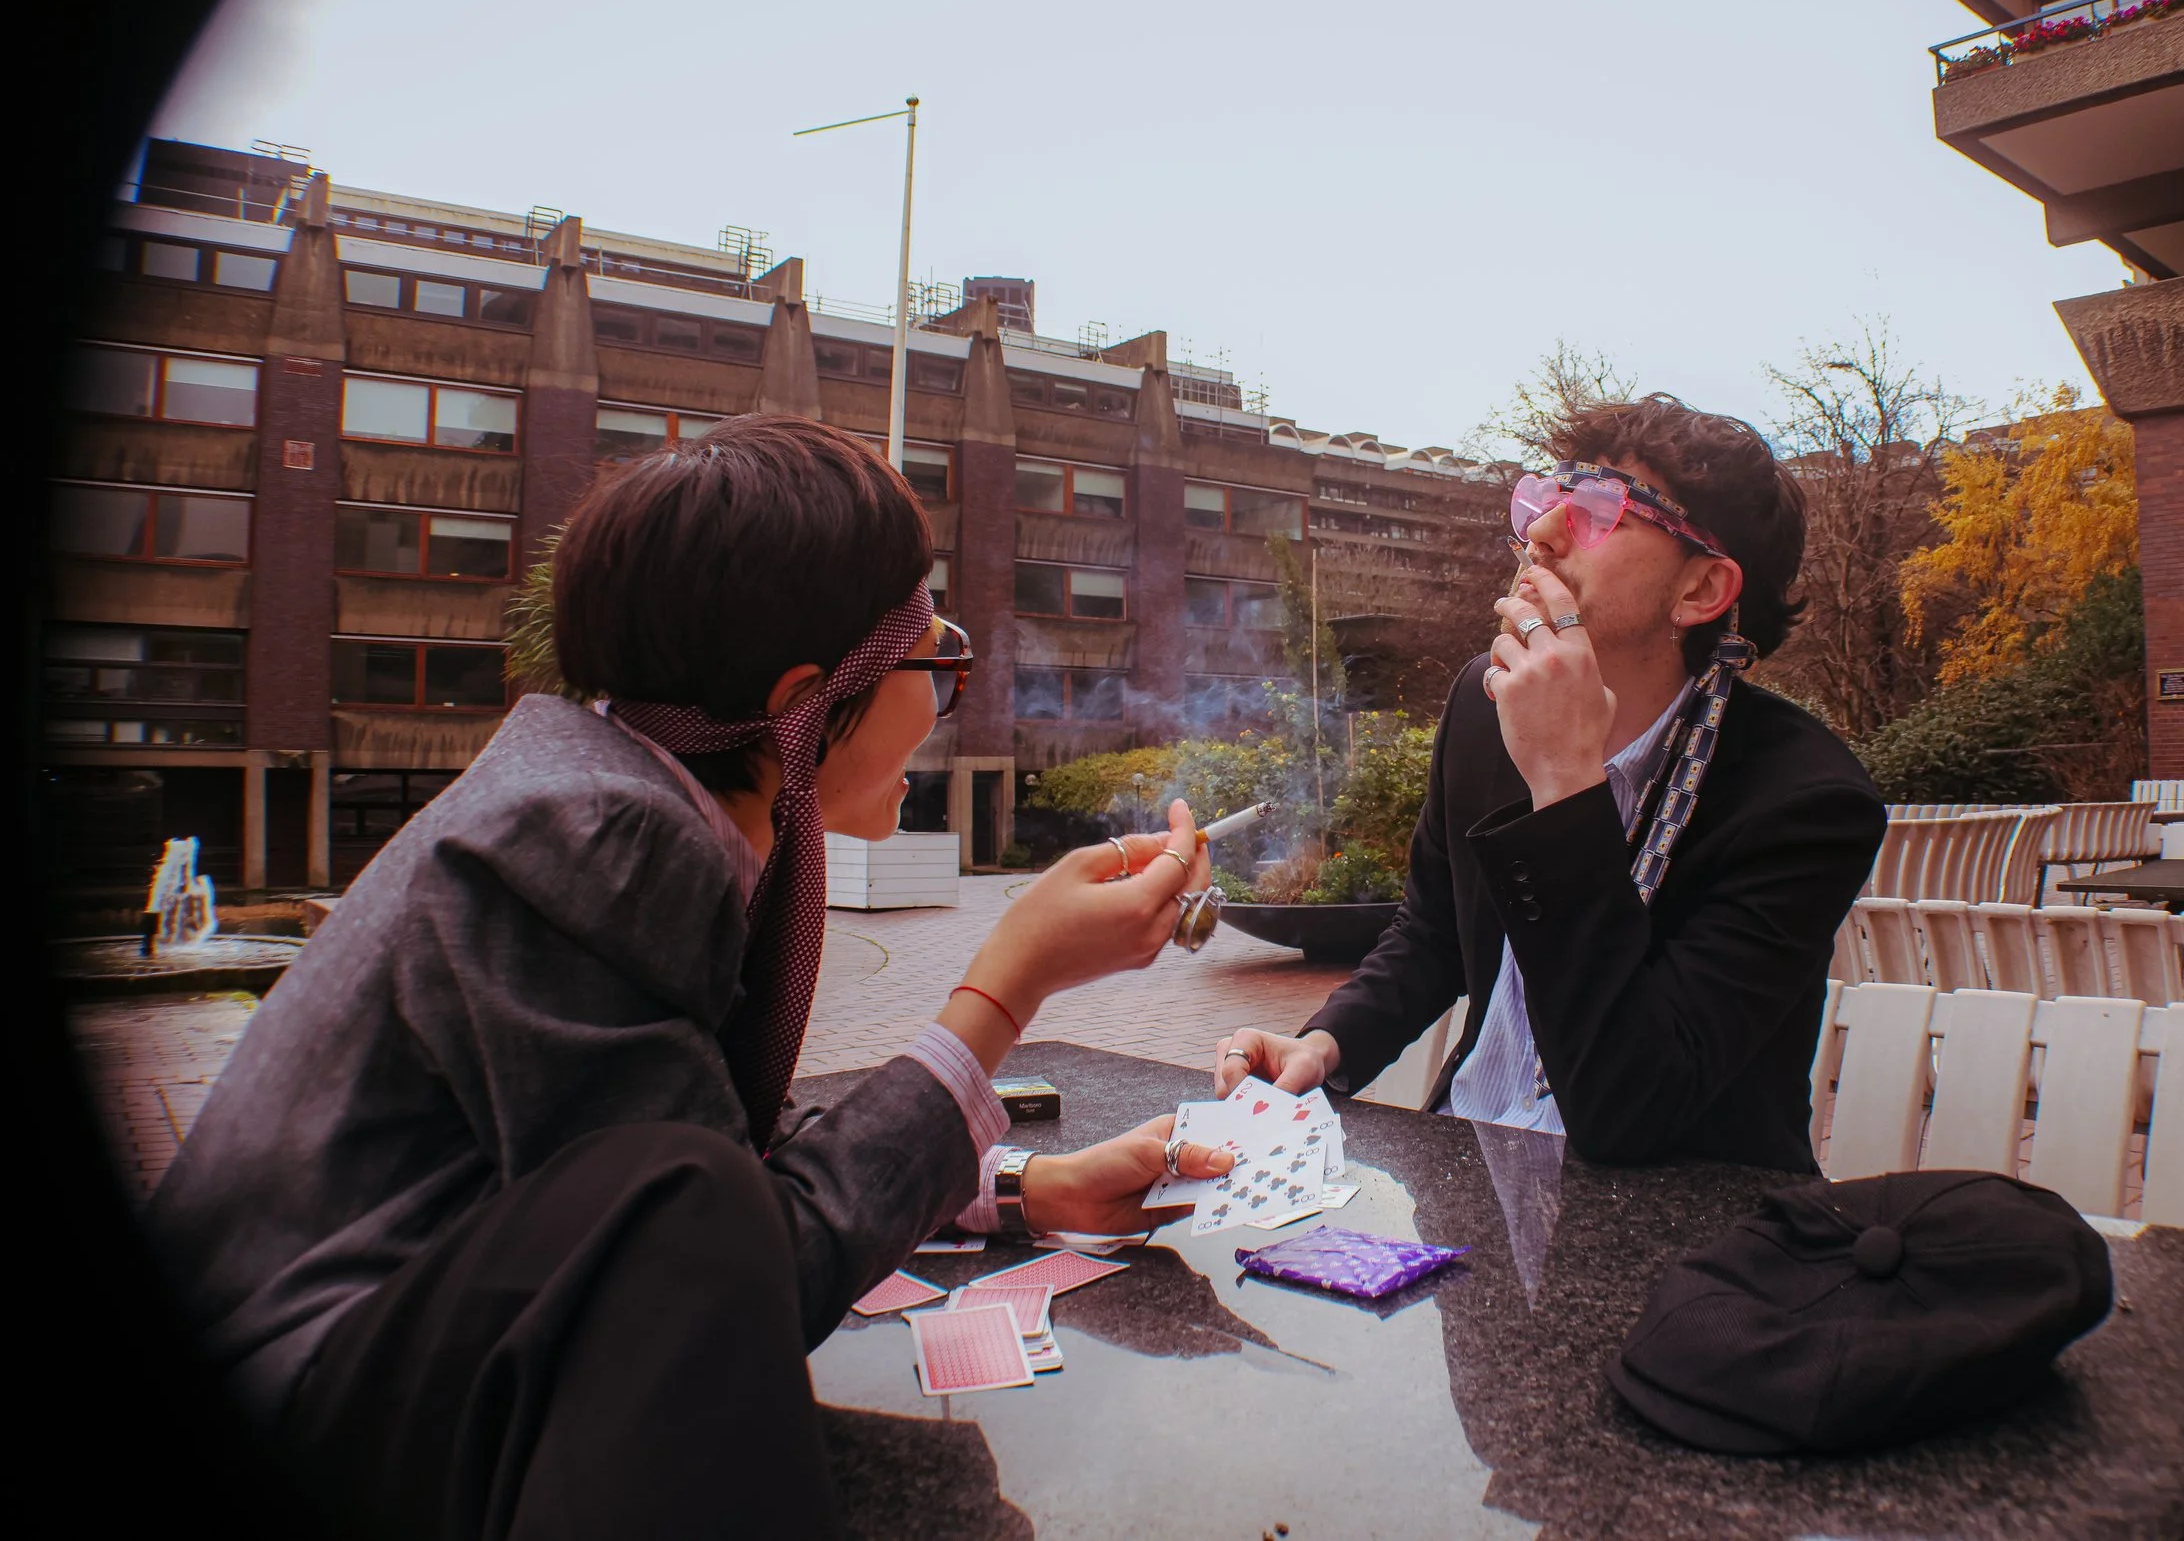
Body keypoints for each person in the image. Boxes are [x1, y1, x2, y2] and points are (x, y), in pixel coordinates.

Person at [146, 417, 1236, 1538]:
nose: (950, 690)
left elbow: (703, 1157)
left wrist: (1021, 1191)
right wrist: (1008, 984)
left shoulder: (603, 792)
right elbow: (715, 1268)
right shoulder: (601, 839)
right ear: (805, 699)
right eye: (936, 655)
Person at [1216, 395, 1885, 1171]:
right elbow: (1434, 934)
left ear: (1701, 590)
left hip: (1686, 1234)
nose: (1539, 531)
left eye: (1601, 511)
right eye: (1549, 499)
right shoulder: (1484, 703)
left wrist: (1565, 780)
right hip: (1473, 1173)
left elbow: (1629, 1104)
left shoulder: (1804, 801)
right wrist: (1326, 1044)